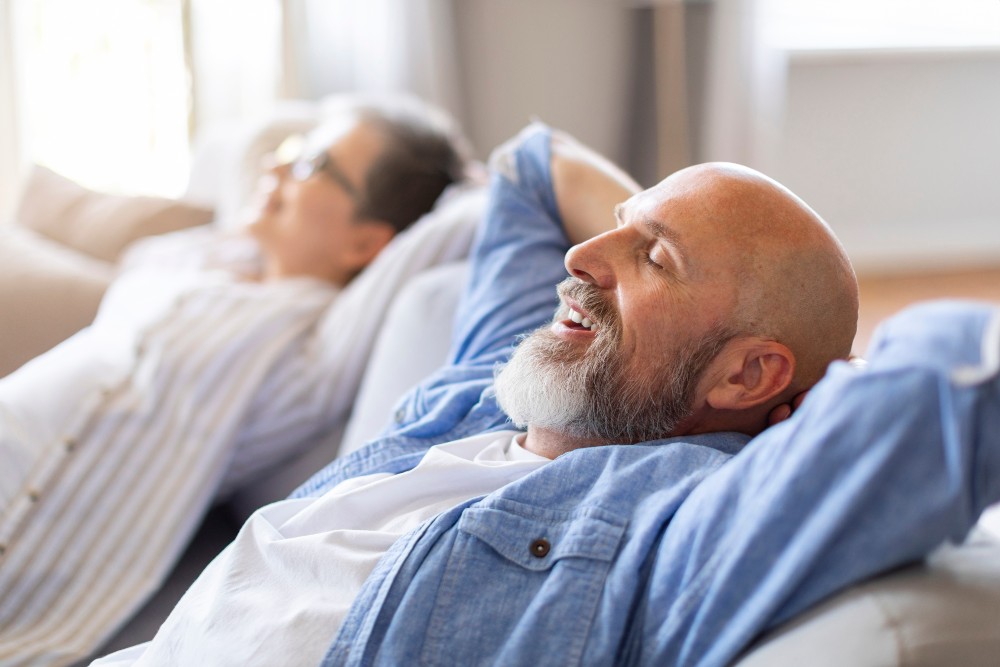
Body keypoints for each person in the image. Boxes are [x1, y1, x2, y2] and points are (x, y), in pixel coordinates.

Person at [93, 124, 999, 667]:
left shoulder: (671, 523)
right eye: (615, 231)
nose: (580, 261)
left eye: (653, 259)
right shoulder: (493, 390)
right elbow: (528, 168)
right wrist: (677, 225)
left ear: (747, 376)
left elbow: (945, 393)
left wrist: (821, 367)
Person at [0, 95, 473, 666]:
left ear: (365, 243)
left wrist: (471, 170)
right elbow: (246, 156)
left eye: (309, 165)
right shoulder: (199, 262)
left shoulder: (310, 343)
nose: (273, 168)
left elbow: (464, 220)